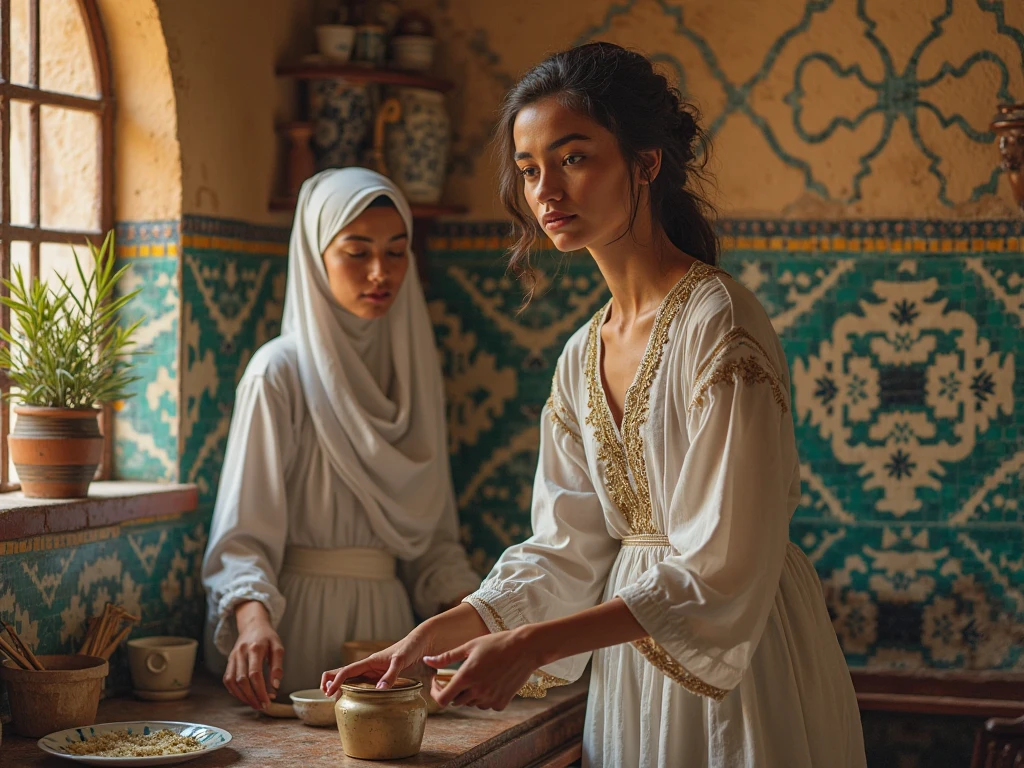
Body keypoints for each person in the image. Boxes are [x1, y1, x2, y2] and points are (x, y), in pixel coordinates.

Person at [321, 44, 866, 767]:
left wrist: (528, 644)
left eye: (573, 158)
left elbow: (724, 566)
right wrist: (437, 633)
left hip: (739, 667)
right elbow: (567, 548)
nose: (546, 189)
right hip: (631, 668)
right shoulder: (582, 355)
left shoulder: (718, 322)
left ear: (646, 161)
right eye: (528, 168)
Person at [202, 168, 480, 709]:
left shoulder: (412, 378)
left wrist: (482, 625)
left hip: (392, 640)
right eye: (356, 251)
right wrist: (253, 624)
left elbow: (432, 545)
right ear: (314, 257)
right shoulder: (277, 374)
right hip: (297, 631)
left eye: (397, 252)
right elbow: (241, 540)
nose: (381, 272)